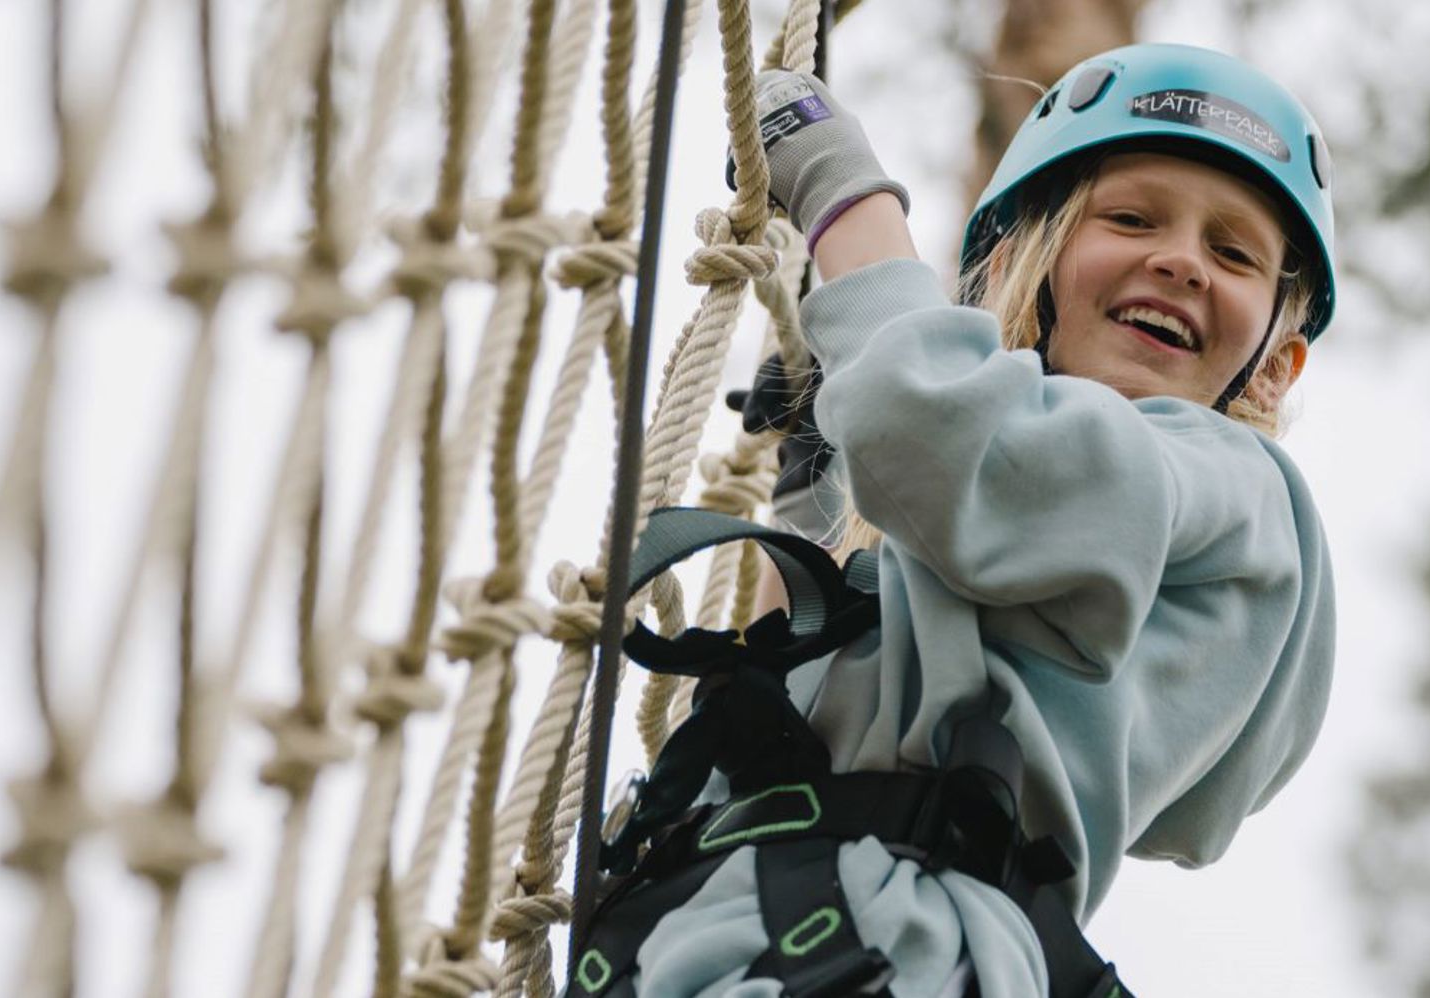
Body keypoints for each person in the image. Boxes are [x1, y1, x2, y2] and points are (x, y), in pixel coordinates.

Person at [574, 43, 1339, 997]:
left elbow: (949, 437)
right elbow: (869, 657)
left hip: (893, 950)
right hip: (714, 933)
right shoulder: (1030, 527)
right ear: (1032, 260)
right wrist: (815, 479)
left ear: (1273, 363)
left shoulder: (1237, 490)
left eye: (1233, 253)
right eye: (1133, 218)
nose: (1181, 260)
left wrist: (843, 194)